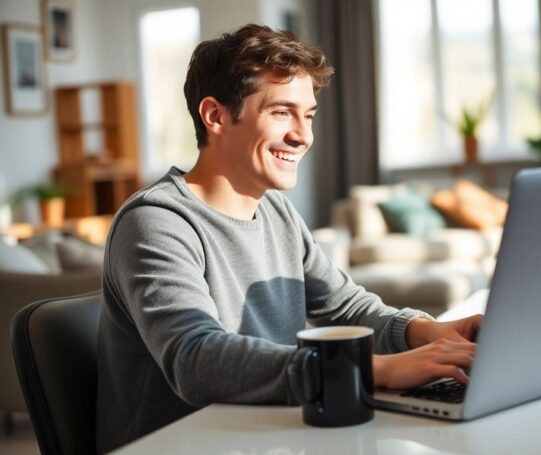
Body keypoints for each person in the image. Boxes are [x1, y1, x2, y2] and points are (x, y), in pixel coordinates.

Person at [96, 24, 481, 452]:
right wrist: (376, 370)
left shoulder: (275, 210)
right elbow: (195, 358)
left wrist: (430, 333)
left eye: (308, 115)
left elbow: (345, 308)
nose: (303, 136)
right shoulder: (156, 222)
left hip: (269, 436)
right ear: (215, 116)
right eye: (281, 112)